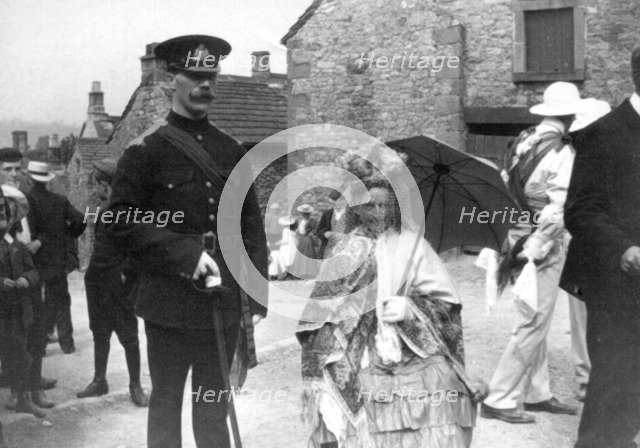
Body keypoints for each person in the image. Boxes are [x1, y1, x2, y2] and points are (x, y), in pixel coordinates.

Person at [105, 35, 268, 448]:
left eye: (211, 76)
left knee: (214, 406)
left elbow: (250, 223)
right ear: (169, 81)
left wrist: (257, 292)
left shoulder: (232, 150)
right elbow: (120, 221)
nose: (205, 85)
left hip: (224, 301)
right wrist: (184, 252)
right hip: (168, 304)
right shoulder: (145, 152)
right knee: (166, 406)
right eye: (195, 76)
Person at [297, 171, 482, 448]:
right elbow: (320, 307)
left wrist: (412, 308)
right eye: (369, 205)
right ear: (359, 208)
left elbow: (447, 306)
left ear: (394, 206)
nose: (376, 212)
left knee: (439, 390)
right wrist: (352, 313)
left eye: (383, 205)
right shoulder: (345, 246)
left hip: (408, 347)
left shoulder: (413, 245)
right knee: (335, 388)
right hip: (356, 347)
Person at [481, 82, 582, 423]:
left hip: (517, 233)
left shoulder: (522, 140)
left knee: (531, 314)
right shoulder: (562, 151)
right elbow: (557, 210)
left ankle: (537, 392)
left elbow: (504, 183)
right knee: (534, 322)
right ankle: (500, 397)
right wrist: (538, 248)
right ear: (570, 114)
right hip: (542, 242)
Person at [561, 48, 640, 448]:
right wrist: (625, 249)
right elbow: (579, 211)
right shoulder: (604, 134)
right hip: (616, 283)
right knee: (614, 379)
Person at [76, 159, 148, 406]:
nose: (95, 191)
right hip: (96, 283)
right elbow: (100, 249)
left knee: (128, 335)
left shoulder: (129, 213)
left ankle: (135, 386)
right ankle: (99, 381)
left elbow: (138, 252)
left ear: (106, 185)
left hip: (117, 285)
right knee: (99, 332)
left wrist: (124, 276)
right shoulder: (103, 213)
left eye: (97, 185)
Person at [0, 149, 57, 407]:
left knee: (36, 333)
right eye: (7, 169)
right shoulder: (3, 203)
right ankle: (16, 391)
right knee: (11, 338)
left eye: (17, 169)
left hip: (30, 276)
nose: (13, 174)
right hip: (6, 284)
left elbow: (46, 231)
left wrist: (37, 241)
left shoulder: (29, 201)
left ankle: (34, 389)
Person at [25, 161, 86, 355]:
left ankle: (40, 347)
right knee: (60, 300)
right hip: (57, 259)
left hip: (34, 259)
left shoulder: (26, 200)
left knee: (37, 302)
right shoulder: (60, 200)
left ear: (29, 178)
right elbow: (81, 220)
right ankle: (67, 344)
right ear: (47, 180)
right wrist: (67, 233)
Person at [0, 185, 45, 418]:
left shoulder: (16, 245)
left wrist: (27, 279)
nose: (2, 217)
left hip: (15, 310)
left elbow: (34, 271)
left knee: (18, 352)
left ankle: (22, 397)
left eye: (5, 212)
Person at [290, 204, 318, 279]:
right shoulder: (299, 219)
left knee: (308, 255)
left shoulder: (312, 221)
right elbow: (292, 226)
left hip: (308, 240)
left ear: (308, 214)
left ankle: (308, 274)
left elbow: (316, 230)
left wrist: (311, 234)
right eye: (302, 213)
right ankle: (299, 274)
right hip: (301, 239)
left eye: (305, 213)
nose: (304, 215)